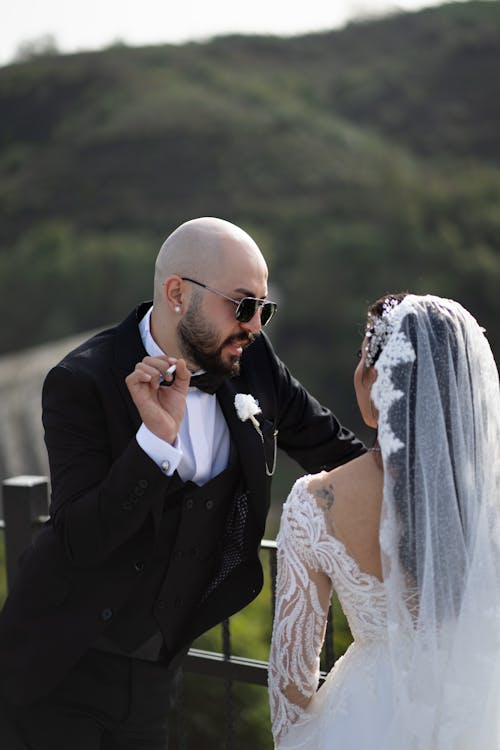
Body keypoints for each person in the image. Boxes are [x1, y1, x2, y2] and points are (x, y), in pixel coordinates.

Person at [0, 217, 364, 749]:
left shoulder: (256, 364)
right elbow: (80, 539)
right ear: (177, 294)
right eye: (243, 306)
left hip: (156, 674)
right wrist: (155, 444)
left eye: (265, 309)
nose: (256, 325)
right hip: (57, 666)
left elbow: (338, 452)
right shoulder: (81, 381)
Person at [269, 293, 500, 749]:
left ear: (377, 381)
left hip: (366, 723)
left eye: (362, 361)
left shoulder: (316, 503)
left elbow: (291, 682)